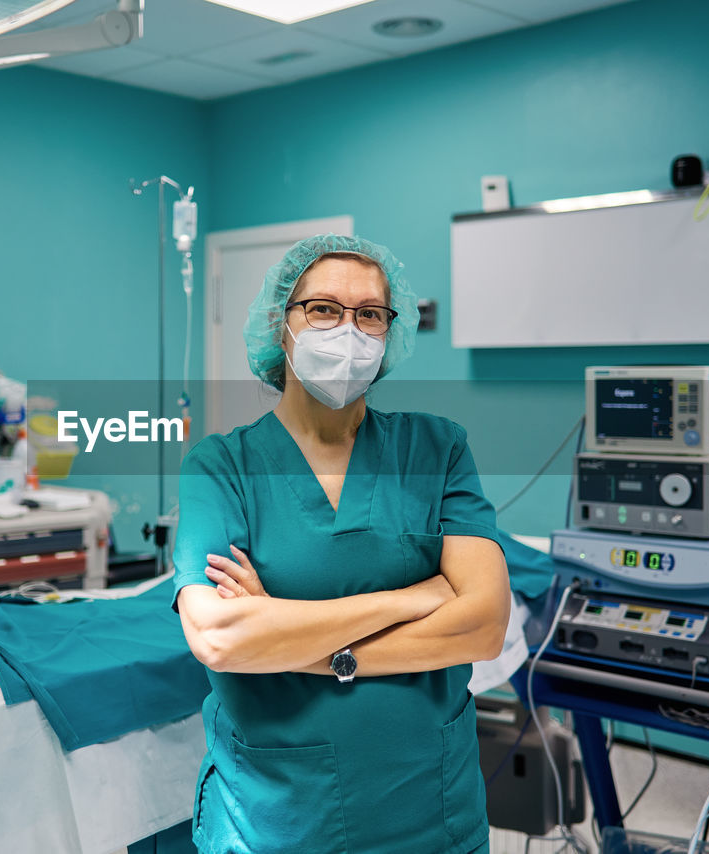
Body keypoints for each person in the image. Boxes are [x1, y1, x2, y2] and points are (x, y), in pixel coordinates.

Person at [171, 234, 510, 854]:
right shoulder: (221, 468)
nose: (348, 331)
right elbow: (220, 637)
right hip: (281, 817)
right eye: (323, 309)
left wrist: (290, 640)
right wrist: (413, 598)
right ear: (282, 325)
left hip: (428, 808)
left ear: (389, 334)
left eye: (370, 315)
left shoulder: (437, 450)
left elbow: (484, 625)